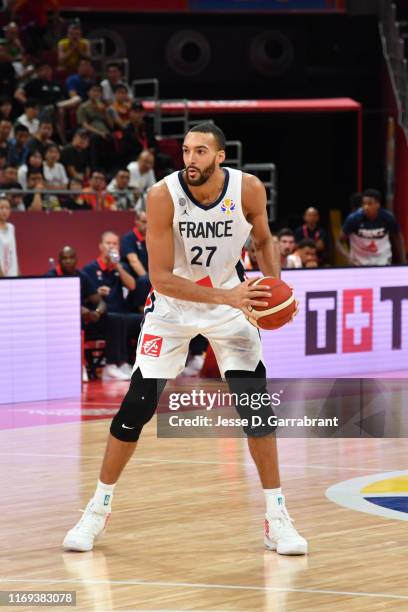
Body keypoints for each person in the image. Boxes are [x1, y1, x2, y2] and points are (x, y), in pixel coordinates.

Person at [63, 122, 306, 556]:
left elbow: (266, 240)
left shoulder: (249, 190)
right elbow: (160, 278)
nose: (189, 159)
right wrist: (229, 295)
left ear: (220, 157)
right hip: (175, 307)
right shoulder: (162, 195)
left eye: (199, 152)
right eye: (186, 151)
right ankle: (96, 511)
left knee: (256, 407)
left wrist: (273, 292)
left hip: (232, 306)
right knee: (136, 405)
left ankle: (277, 517)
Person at [82, 231, 142, 380]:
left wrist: (118, 267)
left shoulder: (120, 267)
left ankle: (131, 363)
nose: (111, 247)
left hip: (121, 314)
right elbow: (86, 297)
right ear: (101, 246)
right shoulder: (89, 269)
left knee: (145, 320)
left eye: (115, 244)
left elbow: (132, 285)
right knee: (116, 319)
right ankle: (111, 365)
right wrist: (97, 292)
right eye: (108, 243)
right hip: (101, 317)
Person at [337, 188, 406, 266]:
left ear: (377, 204)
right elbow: (339, 242)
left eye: (369, 204)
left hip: (382, 261)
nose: (365, 207)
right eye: (363, 204)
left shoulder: (388, 218)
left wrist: (403, 261)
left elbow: (398, 238)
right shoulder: (353, 219)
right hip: (359, 263)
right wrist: (348, 258)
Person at [76, 84, 114, 170]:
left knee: (114, 138)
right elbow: (84, 125)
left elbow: (111, 125)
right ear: (88, 93)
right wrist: (100, 133)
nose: (96, 93)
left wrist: (104, 112)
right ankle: (95, 168)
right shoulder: (83, 107)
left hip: (105, 131)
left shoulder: (104, 107)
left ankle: (110, 168)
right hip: (91, 132)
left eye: (98, 91)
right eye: (93, 91)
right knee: (95, 138)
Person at [120, 210, 150, 310]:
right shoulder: (129, 238)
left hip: (151, 273)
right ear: (136, 221)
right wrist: (148, 280)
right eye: (144, 222)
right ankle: (143, 312)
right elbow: (134, 261)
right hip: (135, 276)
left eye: (149, 222)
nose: (147, 225)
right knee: (144, 281)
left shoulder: (153, 237)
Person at [0, 195, 19, 277]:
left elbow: (13, 251)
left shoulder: (11, 227)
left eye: (7, 208)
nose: (4, 211)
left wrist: (18, 272)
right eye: (1, 208)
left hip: (12, 272)